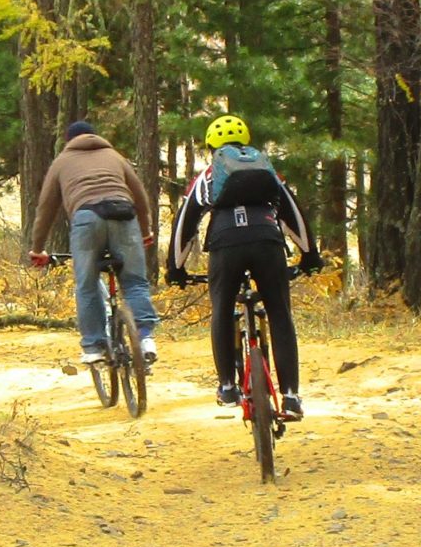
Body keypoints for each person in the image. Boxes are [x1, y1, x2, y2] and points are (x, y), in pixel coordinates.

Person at [165, 113, 319, 419]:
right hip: (267, 241)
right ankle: (290, 396)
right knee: (279, 313)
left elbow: (186, 224)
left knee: (222, 309)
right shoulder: (267, 171)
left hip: (225, 245)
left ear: (211, 147)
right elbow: (293, 214)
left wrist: (176, 268)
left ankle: (227, 387)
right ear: (245, 142)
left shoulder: (208, 176)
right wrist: (309, 254)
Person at [27, 120, 160, 368]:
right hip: (124, 215)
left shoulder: (62, 162)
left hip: (87, 218)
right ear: (95, 136)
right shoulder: (114, 155)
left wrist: (38, 247)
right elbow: (140, 196)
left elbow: (46, 208)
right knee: (134, 282)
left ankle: (93, 346)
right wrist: (145, 230)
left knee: (87, 284)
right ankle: (145, 339)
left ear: (69, 141)